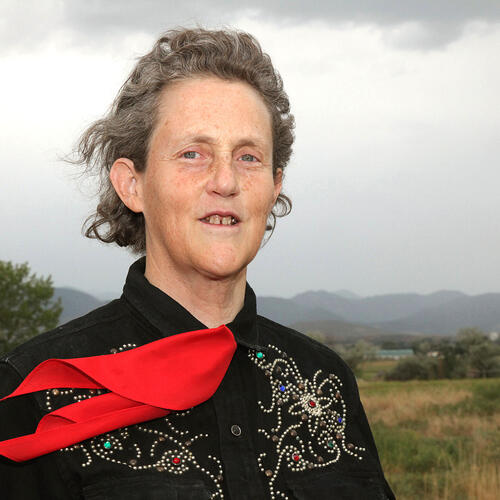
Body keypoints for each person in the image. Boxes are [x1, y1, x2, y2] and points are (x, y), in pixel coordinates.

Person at [0, 28, 395, 499]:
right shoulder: (37, 389)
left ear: (274, 187)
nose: (226, 180)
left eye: (249, 157)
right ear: (132, 185)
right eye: (193, 154)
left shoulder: (325, 382)